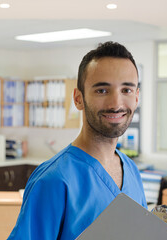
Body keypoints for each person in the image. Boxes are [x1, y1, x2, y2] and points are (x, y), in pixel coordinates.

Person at [8, 41, 147, 240]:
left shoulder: (132, 171)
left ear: (136, 97)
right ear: (78, 99)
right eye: (102, 90)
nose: (116, 103)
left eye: (126, 90)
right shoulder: (53, 180)